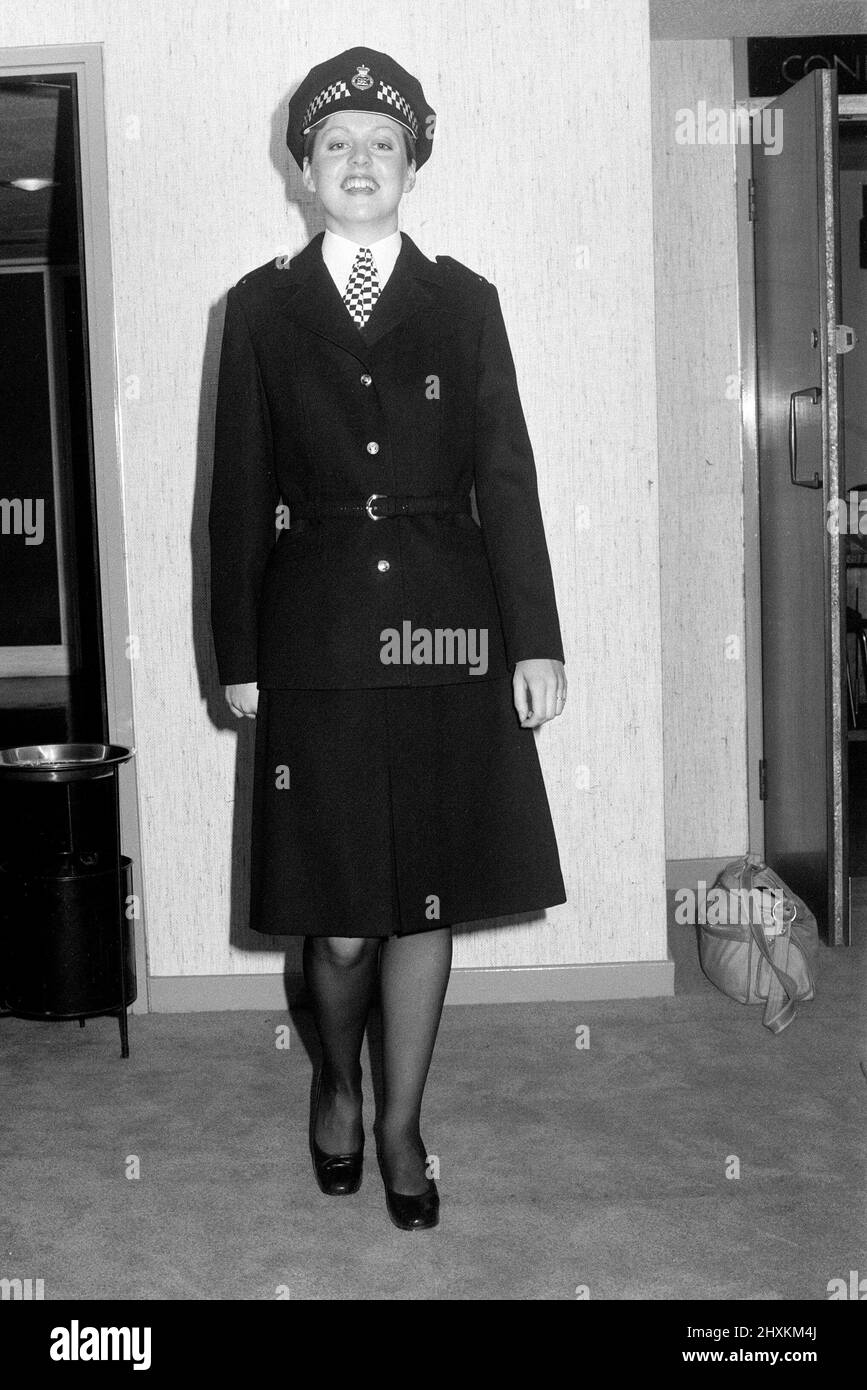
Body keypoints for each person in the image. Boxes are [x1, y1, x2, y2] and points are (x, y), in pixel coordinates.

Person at [208, 47, 567, 1231]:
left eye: (382, 142)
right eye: (335, 145)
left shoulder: (466, 303)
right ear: (304, 169)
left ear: (412, 161)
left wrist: (535, 639)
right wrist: (239, 656)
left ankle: (404, 1122)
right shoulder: (259, 307)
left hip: (447, 634)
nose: (359, 162)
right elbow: (234, 495)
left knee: (425, 902)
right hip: (312, 643)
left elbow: (506, 480)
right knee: (344, 922)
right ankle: (333, 1077)